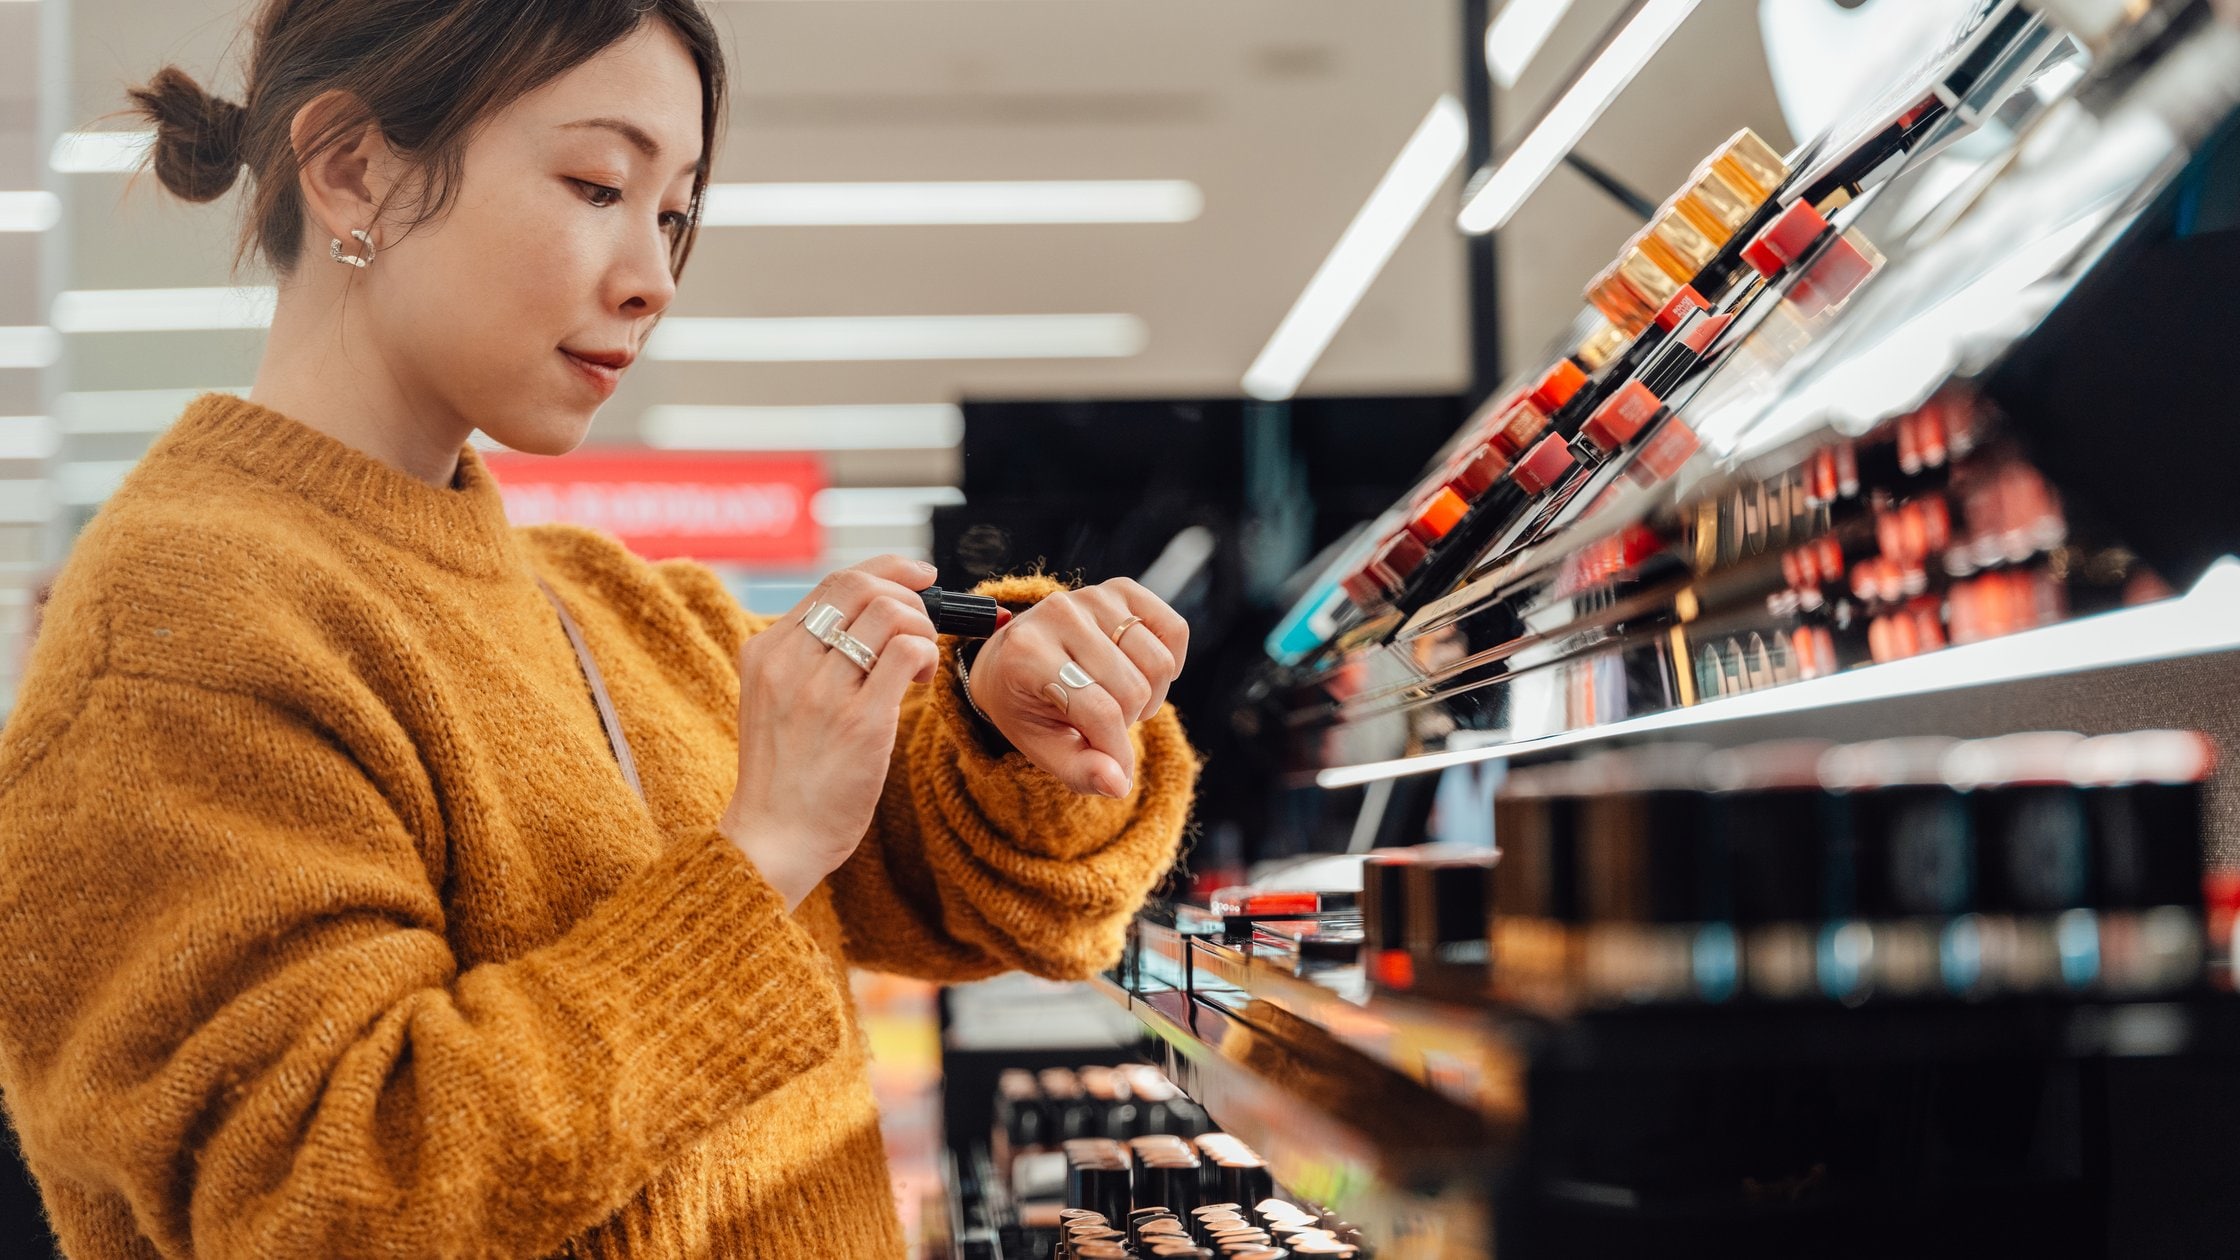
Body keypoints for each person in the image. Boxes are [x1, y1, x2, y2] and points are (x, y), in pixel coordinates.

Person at [0, 2, 1197, 1256]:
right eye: (596, 185)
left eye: (673, 211)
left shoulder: (614, 604)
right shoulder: (180, 619)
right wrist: (760, 857)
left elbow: (978, 898)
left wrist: (1008, 727)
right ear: (352, 168)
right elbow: (330, 1197)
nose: (654, 277)